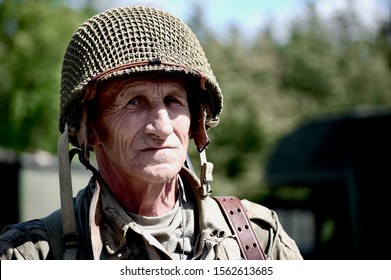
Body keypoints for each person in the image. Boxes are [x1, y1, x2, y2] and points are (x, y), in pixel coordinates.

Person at [0, 5, 303, 260]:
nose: (161, 128)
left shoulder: (256, 239)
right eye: (134, 102)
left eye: (173, 101)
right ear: (88, 129)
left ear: (195, 122)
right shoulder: (32, 255)